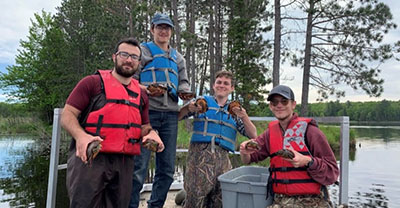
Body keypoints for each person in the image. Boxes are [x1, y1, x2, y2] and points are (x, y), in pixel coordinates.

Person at [61, 37, 164, 208]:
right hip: (91, 159)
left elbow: (144, 127)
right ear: (114, 57)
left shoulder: (142, 95)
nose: (129, 60)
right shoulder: (92, 83)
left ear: (139, 63)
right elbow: (67, 114)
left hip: (124, 163)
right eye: (124, 54)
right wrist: (81, 136)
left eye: (134, 57)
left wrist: (152, 134)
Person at [239, 85, 339, 208]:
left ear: (293, 104)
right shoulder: (269, 134)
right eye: (274, 102)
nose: (279, 105)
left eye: (284, 101)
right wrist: (244, 151)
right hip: (279, 201)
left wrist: (307, 161)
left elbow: (332, 173)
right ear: (271, 107)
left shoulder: (311, 132)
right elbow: (248, 159)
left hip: (311, 202)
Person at [129, 13, 192, 208]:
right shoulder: (142, 51)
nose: (163, 31)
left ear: (171, 32)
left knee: (166, 169)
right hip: (147, 115)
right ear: (152, 29)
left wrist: (185, 92)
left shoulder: (178, 58)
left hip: (171, 116)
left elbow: (184, 82)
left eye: (167, 28)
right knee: (139, 167)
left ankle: (154, 205)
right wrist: (147, 90)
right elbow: (130, 80)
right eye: (159, 27)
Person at [178, 70, 258, 208]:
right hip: (199, 159)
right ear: (214, 85)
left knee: (221, 200)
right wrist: (188, 108)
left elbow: (253, 135)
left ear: (232, 88)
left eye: (226, 83)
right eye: (219, 82)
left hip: (223, 161)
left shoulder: (236, 111)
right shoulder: (199, 102)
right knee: (194, 199)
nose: (222, 85)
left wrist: (244, 116)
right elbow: (178, 117)